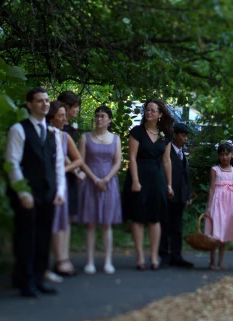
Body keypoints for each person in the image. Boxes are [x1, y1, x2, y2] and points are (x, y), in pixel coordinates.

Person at [5, 87, 66, 298]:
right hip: (27, 193)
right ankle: (24, 280)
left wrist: (60, 191)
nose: (45, 104)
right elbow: (12, 163)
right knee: (26, 237)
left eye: (47, 100)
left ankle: (39, 279)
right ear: (29, 104)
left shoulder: (53, 133)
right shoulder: (18, 130)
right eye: (39, 101)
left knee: (43, 237)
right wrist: (22, 192)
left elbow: (57, 165)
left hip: (48, 192)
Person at [122, 98, 175, 270]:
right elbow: (131, 158)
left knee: (155, 218)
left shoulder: (165, 135)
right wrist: (135, 180)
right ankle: (140, 258)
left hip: (157, 178)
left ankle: (153, 257)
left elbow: (167, 161)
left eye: (153, 110)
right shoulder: (136, 132)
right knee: (138, 218)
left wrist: (169, 184)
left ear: (160, 115)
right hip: (139, 176)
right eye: (147, 110)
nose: (149, 112)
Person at [77, 105, 122, 274]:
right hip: (90, 181)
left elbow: (117, 162)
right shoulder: (85, 137)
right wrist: (95, 179)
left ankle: (108, 261)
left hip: (109, 183)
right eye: (97, 116)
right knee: (91, 223)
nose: (99, 119)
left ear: (109, 120)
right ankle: (89, 261)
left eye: (102, 116)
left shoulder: (115, 139)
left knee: (106, 223)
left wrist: (106, 179)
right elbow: (80, 161)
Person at [47, 101, 84, 281]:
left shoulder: (64, 136)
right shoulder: (44, 134)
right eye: (60, 115)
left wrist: (64, 170)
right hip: (46, 184)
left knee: (63, 221)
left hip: (61, 183)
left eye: (64, 115)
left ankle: (62, 259)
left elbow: (78, 160)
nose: (64, 119)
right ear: (51, 116)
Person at [159, 122, 194, 268]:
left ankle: (177, 255)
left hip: (180, 196)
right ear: (175, 135)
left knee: (178, 227)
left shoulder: (183, 154)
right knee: (165, 224)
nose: (185, 139)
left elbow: (186, 176)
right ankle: (163, 256)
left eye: (186, 136)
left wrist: (188, 195)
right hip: (168, 193)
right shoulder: (167, 151)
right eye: (183, 135)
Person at [205, 140, 233, 270]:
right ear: (218, 156)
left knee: (224, 232)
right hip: (217, 202)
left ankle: (220, 262)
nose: (224, 157)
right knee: (215, 232)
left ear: (232, 155)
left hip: (229, 203)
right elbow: (212, 188)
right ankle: (212, 261)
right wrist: (209, 206)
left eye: (227, 154)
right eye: (221, 154)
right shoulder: (215, 170)